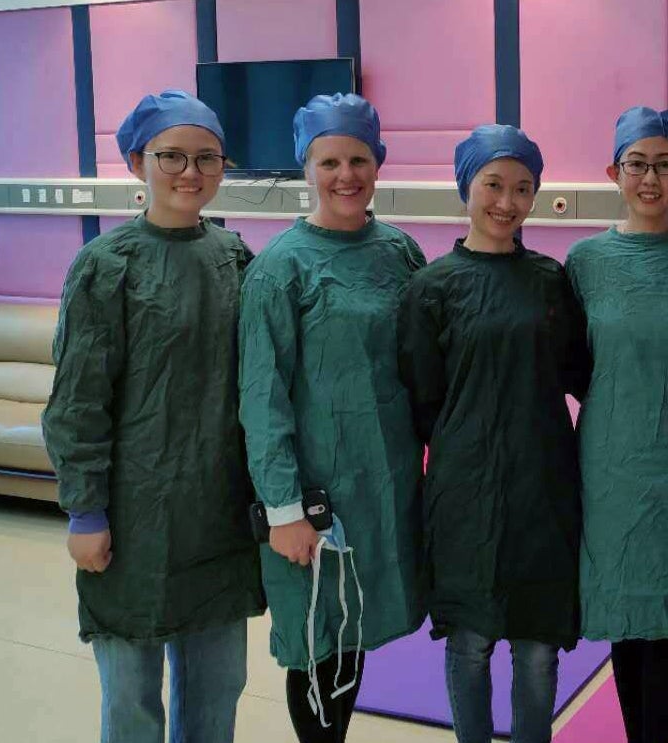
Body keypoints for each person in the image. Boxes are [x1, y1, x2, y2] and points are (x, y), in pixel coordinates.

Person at [42, 89, 265, 743]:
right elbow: (78, 402)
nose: (190, 172)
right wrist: (86, 509)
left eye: (206, 158)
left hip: (218, 519)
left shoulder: (235, 259)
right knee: (133, 702)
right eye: (172, 156)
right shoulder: (106, 266)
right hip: (131, 521)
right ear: (139, 161)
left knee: (215, 696)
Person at [238, 93, 427, 742]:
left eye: (359, 159)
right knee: (317, 644)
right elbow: (261, 400)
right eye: (329, 161)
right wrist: (284, 509)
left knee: (353, 633)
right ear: (305, 166)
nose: (345, 174)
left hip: (384, 486)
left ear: (378, 164)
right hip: (316, 500)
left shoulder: (400, 252)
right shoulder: (279, 269)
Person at [396, 124, 590, 743]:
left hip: (543, 482)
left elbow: (575, 372)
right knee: (471, 641)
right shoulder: (432, 288)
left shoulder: (550, 281)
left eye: (522, 188)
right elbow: (421, 397)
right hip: (463, 488)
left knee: (537, 647)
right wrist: (468, 446)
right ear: (466, 187)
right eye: (493, 185)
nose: (506, 201)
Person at [565, 106, 668, 743]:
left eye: (665, 165)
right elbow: (576, 362)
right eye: (638, 164)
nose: (650, 179)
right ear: (614, 172)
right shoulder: (585, 262)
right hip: (607, 463)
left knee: (664, 613)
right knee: (622, 613)